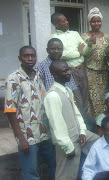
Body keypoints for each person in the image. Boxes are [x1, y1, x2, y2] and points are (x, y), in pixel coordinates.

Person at [4, 46, 55, 180]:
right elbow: (10, 110)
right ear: (20, 58)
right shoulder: (14, 78)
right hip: (28, 136)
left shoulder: (38, 74)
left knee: (54, 164)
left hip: (44, 132)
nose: (30, 58)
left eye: (33, 55)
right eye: (26, 56)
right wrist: (21, 138)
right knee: (31, 172)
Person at [44, 60, 99, 180]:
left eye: (69, 69)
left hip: (77, 134)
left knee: (98, 142)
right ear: (55, 74)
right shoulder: (53, 96)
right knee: (66, 176)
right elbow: (56, 124)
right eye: (65, 71)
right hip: (67, 140)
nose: (69, 72)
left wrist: (83, 132)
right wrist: (68, 147)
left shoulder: (67, 90)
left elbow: (76, 114)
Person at [51, 12, 95, 111]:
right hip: (69, 73)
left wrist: (89, 45)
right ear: (56, 24)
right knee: (76, 100)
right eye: (63, 21)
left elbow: (84, 52)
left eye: (66, 20)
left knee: (85, 99)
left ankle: (85, 123)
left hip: (81, 70)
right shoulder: (54, 38)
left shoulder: (75, 34)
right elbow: (62, 54)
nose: (67, 22)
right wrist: (78, 52)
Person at [81, 7, 109, 117]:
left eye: (98, 21)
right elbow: (82, 54)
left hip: (104, 73)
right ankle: (94, 123)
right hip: (90, 73)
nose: (96, 23)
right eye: (93, 21)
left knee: (104, 98)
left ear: (101, 21)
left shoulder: (106, 37)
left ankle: (104, 122)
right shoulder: (84, 36)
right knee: (92, 98)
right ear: (90, 22)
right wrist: (89, 44)